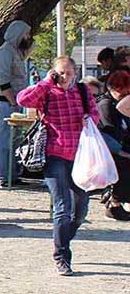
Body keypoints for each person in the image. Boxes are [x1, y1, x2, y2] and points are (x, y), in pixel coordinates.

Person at [17, 56, 100, 276]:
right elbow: (22, 100)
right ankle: (62, 256)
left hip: (80, 156)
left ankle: (62, 237)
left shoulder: (82, 91)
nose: (64, 77)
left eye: (69, 73)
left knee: (80, 210)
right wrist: (45, 82)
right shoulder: (47, 91)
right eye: (60, 73)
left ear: (75, 73)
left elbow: (95, 114)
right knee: (62, 207)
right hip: (54, 155)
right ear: (53, 72)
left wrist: (88, 118)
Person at [0, 20, 33, 188]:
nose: (29, 37)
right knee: (5, 140)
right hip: (7, 102)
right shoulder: (4, 53)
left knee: (14, 141)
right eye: (26, 34)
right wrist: (12, 102)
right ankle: (4, 175)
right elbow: (2, 80)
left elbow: (27, 52)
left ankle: (13, 173)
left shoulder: (16, 52)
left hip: (16, 102)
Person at [95, 70, 130, 220]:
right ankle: (114, 202)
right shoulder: (105, 105)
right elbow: (110, 131)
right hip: (109, 148)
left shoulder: (117, 102)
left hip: (120, 144)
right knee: (125, 163)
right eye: (122, 92)